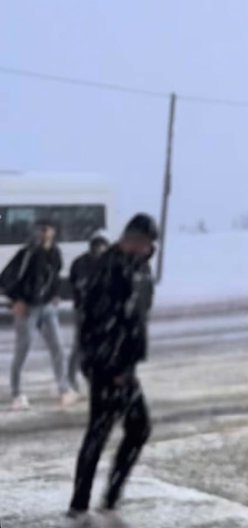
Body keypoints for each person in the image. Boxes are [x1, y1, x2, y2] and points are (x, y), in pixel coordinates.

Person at [67, 213, 158, 523]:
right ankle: (84, 506)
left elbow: (138, 315)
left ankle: (104, 500)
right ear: (128, 239)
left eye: (148, 244)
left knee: (132, 428)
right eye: (141, 242)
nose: (145, 248)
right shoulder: (108, 269)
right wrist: (114, 366)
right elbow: (97, 322)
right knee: (104, 430)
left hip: (123, 365)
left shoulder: (139, 268)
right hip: (109, 365)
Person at [0, 220, 77, 411]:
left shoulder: (55, 253)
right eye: (39, 230)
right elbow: (5, 278)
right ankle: (17, 394)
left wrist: (55, 294)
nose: (42, 234)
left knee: (58, 347)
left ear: (53, 232)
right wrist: (16, 300)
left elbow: (55, 276)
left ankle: (64, 389)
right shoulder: (27, 253)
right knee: (23, 350)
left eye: (45, 230)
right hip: (28, 308)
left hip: (47, 308)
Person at [67, 230, 110, 392]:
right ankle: (71, 379)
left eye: (102, 246)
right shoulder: (81, 263)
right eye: (97, 246)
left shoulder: (110, 263)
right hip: (84, 310)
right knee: (80, 346)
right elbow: (74, 284)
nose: (99, 249)